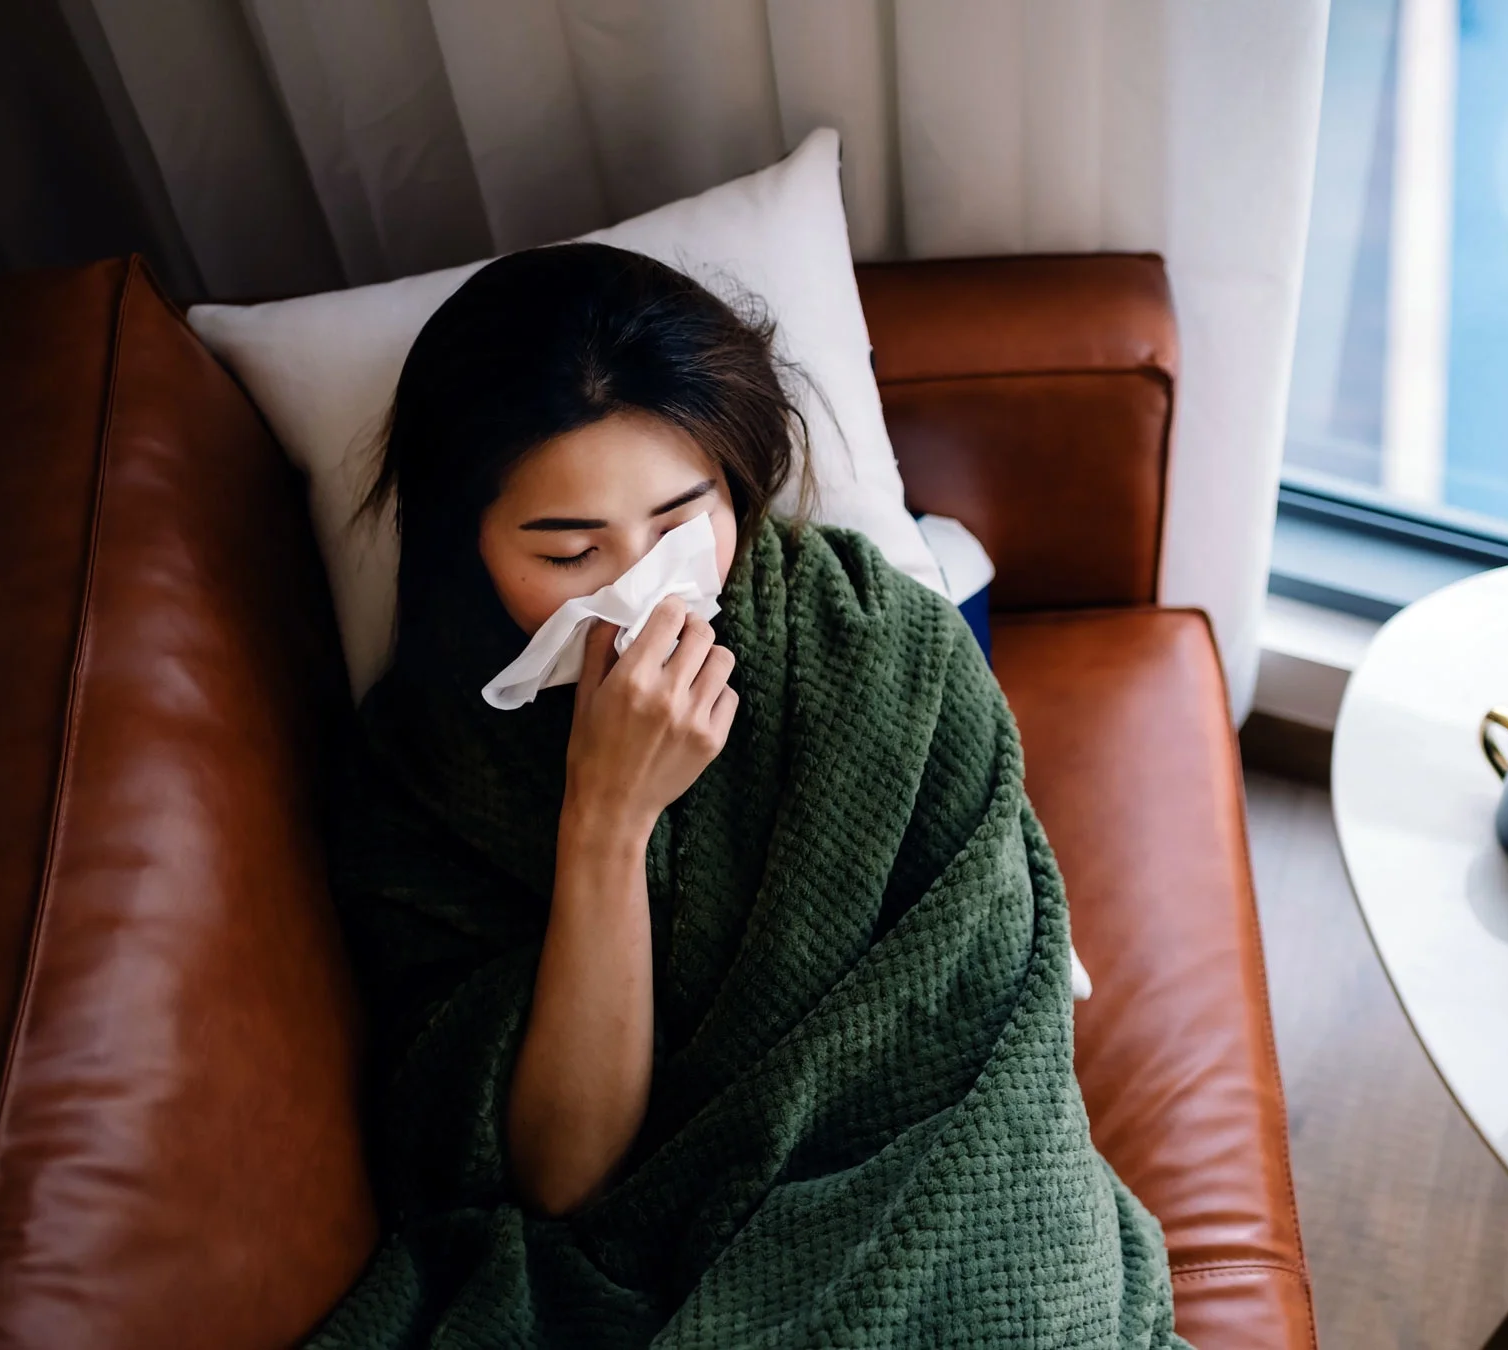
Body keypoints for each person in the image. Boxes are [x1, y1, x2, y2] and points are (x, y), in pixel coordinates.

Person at [308, 242, 1185, 1348]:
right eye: (572, 552)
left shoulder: (883, 656)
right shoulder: (418, 778)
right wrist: (606, 823)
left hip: (933, 1204)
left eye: (681, 526)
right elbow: (559, 1176)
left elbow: (985, 1046)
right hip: (647, 1262)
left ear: (738, 483)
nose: (639, 594)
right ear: (463, 544)